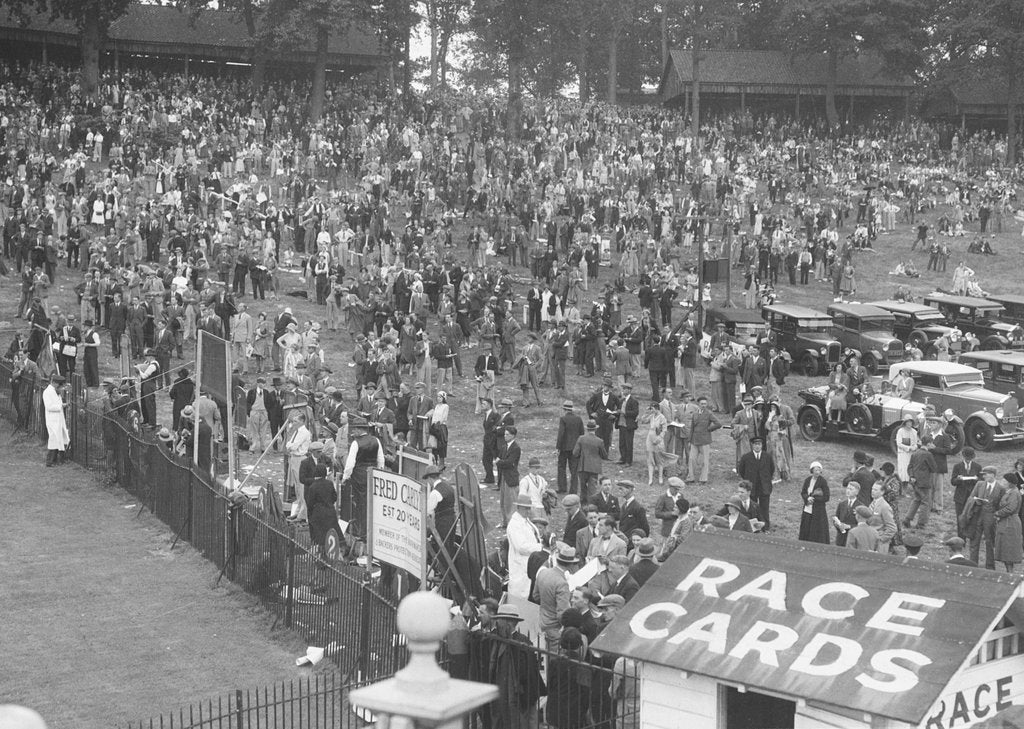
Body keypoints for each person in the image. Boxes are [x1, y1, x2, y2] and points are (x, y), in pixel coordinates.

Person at [487, 604, 546, 729]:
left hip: (518, 695)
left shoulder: (522, 643)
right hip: (503, 693)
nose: (497, 623)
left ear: (508, 622)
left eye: (500, 620)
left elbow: (528, 672)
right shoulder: (499, 639)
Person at [340, 416, 383, 539]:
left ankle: (362, 531)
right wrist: (379, 473)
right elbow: (381, 460)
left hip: (359, 475)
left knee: (360, 503)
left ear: (359, 430)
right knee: (372, 501)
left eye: (355, 429)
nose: (353, 432)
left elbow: (350, 464)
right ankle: (371, 529)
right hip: (373, 473)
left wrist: (345, 477)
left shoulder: (355, 443)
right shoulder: (376, 440)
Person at [546, 628, 590, 729]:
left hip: (556, 709)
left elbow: (550, 686)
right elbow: (585, 693)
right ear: (579, 645)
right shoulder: (583, 666)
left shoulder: (555, 662)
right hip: (574, 712)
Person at [535, 545, 578, 647]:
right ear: (570, 565)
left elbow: (536, 596)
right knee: (554, 658)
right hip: (555, 628)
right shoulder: (562, 583)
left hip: (542, 622)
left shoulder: (543, 573)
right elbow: (562, 613)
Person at [963, 466, 1003, 569]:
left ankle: (990, 566)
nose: (984, 476)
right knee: (974, 540)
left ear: (993, 475)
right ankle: (973, 565)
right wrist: (976, 500)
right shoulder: (979, 484)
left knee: (989, 542)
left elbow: (1001, 505)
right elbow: (971, 497)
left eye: (986, 474)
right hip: (977, 515)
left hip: (990, 517)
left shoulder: (1001, 488)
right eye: (983, 474)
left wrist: (996, 515)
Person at [506, 494, 542, 598]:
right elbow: (521, 547)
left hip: (531, 563)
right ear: (518, 507)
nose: (528, 511)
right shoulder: (514, 525)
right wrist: (540, 547)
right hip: (521, 565)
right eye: (525, 508)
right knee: (521, 596)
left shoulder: (526, 521)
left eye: (529, 508)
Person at [737, 437, 775, 530]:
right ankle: (752, 527)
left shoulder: (767, 457)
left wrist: (766, 480)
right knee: (752, 508)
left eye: (759, 444)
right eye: (755, 444)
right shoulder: (746, 457)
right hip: (752, 488)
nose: (757, 446)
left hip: (764, 487)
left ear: (762, 446)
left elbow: (772, 469)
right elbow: (741, 470)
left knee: (764, 508)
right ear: (752, 445)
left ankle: (765, 527)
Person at [306, 463, 342, 561]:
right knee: (331, 533)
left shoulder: (313, 486)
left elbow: (310, 503)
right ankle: (332, 554)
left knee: (319, 536)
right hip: (330, 512)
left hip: (318, 513)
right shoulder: (329, 483)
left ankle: (321, 555)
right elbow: (334, 497)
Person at [903, 437, 937, 530]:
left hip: (915, 481)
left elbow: (910, 467)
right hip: (924, 482)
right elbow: (934, 468)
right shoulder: (928, 454)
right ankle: (921, 523)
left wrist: (912, 476)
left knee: (917, 499)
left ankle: (907, 519)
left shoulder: (915, 453)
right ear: (929, 444)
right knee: (926, 503)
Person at [425, 463, 458, 556]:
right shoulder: (448, 486)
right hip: (452, 519)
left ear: (430, 479)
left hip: (442, 522)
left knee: (442, 549)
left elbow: (428, 511)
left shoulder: (435, 493)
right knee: (449, 546)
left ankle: (444, 568)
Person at [687, 396, 720, 486]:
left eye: (705, 404)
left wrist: (709, 429)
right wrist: (690, 440)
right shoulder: (695, 413)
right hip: (694, 440)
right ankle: (691, 478)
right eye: (702, 404)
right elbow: (692, 428)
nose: (703, 405)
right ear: (698, 404)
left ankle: (703, 479)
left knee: (705, 461)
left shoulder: (709, 414)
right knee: (691, 459)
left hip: (705, 440)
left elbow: (718, 423)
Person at [644, 402, 678, 487]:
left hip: (658, 438)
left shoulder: (662, 417)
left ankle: (660, 477)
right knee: (650, 457)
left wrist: (659, 439)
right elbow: (643, 420)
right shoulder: (651, 416)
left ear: (656, 408)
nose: (651, 410)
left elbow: (664, 430)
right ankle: (650, 478)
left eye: (652, 409)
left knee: (659, 459)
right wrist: (646, 412)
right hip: (650, 437)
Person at [573, 420, 607, 501]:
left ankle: (583, 506)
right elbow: (604, 455)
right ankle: (592, 506)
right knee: (592, 490)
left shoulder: (581, 439)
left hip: (583, 467)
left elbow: (575, 453)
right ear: (595, 429)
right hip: (594, 468)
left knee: (583, 489)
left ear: (587, 429)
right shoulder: (599, 441)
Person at [495, 426, 523, 527]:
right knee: (503, 500)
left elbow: (510, 462)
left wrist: (500, 462)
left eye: (507, 434)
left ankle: (512, 523)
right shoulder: (504, 446)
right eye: (504, 434)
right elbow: (500, 460)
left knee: (511, 501)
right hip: (503, 476)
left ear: (513, 435)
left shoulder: (516, 448)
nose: (505, 436)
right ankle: (505, 521)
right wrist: (501, 462)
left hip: (511, 477)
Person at [952, 447, 982, 539]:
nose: (968, 460)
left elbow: (981, 481)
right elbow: (953, 481)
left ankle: (970, 535)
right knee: (960, 517)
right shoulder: (957, 466)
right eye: (966, 458)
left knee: (972, 517)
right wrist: (958, 479)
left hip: (972, 496)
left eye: (970, 458)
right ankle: (961, 538)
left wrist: (976, 479)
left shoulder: (978, 467)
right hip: (960, 496)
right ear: (963, 457)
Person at [994, 478, 1023, 573]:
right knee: (1006, 550)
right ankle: (1009, 572)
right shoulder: (1009, 492)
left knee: (1009, 550)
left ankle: (1010, 574)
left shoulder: (1014, 493)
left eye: (1004, 481)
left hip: (1010, 523)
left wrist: (997, 513)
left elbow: (1010, 508)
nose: (1002, 482)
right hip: (1006, 522)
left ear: (1010, 483)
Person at [798, 461, 830, 544]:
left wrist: (815, 499)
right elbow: (803, 492)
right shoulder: (808, 480)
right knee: (806, 526)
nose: (817, 472)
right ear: (812, 471)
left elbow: (826, 497)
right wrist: (807, 498)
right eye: (815, 470)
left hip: (818, 510)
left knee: (816, 528)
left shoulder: (823, 481)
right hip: (808, 508)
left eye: (819, 470)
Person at [556, 400, 584, 494]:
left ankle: (562, 488)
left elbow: (561, 434)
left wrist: (558, 447)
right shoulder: (579, 419)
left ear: (564, 409)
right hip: (575, 448)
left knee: (561, 467)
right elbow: (582, 433)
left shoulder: (563, 419)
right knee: (574, 470)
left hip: (564, 448)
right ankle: (573, 490)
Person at [42, 373, 69, 466]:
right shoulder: (47, 392)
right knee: (53, 439)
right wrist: (61, 406)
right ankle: (49, 461)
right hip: (52, 419)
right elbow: (49, 407)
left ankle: (57, 460)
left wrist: (62, 405)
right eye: (59, 384)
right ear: (53, 382)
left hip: (58, 419)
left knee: (59, 438)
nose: (60, 386)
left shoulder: (55, 391)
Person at [869, 480, 898, 554]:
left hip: (879, 545)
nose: (872, 491)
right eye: (872, 489)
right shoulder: (872, 503)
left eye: (875, 490)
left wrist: (881, 539)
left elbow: (892, 528)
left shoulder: (884, 506)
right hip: (870, 541)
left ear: (882, 492)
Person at [833, 482, 864, 547]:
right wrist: (837, 525)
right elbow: (836, 518)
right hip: (840, 538)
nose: (848, 491)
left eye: (851, 489)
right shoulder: (841, 504)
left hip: (853, 538)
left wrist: (849, 526)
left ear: (857, 492)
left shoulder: (860, 506)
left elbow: (862, 525)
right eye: (847, 488)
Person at [616, 382, 639, 465]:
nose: (623, 390)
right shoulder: (621, 400)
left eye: (625, 389)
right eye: (623, 389)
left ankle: (628, 461)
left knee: (628, 443)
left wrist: (624, 412)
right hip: (621, 424)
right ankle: (623, 458)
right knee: (622, 442)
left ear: (629, 390)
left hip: (629, 425)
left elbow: (635, 412)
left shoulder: (633, 401)